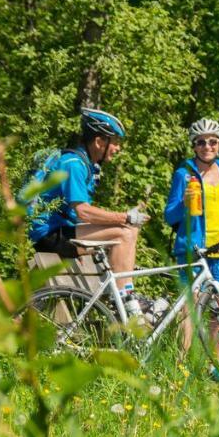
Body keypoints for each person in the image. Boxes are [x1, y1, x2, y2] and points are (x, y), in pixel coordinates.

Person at [27, 108, 149, 310]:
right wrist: (125, 217)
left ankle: (121, 294)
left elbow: (80, 214)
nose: (117, 148)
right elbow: (83, 211)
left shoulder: (86, 165)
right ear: (100, 142)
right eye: (115, 142)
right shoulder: (73, 164)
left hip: (61, 231)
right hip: (48, 234)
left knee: (128, 233)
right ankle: (125, 301)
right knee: (124, 234)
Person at [164, 118, 219, 294]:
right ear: (194, 146)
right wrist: (184, 204)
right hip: (193, 251)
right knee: (190, 308)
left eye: (213, 142)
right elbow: (169, 216)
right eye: (201, 142)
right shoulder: (183, 175)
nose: (207, 147)